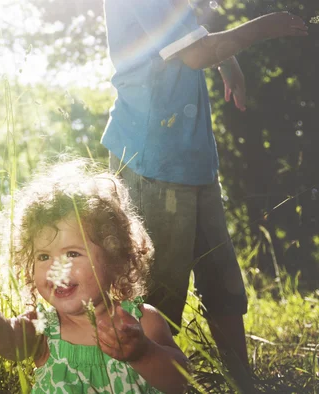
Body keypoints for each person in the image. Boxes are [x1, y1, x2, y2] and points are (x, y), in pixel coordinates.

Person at [102, 0, 308, 391]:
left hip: (192, 156)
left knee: (221, 275)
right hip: (153, 159)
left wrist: (227, 63)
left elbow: (193, 34)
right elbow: (195, 52)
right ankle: (148, 383)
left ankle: (243, 380)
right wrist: (263, 28)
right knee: (156, 289)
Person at [0, 160, 189, 394]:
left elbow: (180, 382)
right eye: (43, 257)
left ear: (114, 258)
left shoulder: (142, 322)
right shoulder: (43, 327)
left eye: (72, 254)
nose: (55, 268)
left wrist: (142, 352)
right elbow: (8, 340)